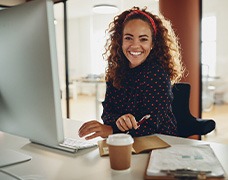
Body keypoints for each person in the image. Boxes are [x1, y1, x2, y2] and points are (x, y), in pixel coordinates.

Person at [78, 7, 184, 140]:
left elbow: (152, 125)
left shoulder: (158, 74)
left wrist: (112, 130)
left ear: (153, 43)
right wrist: (118, 120)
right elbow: (107, 113)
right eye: (128, 38)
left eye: (143, 39)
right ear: (120, 41)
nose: (135, 45)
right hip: (126, 141)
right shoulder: (115, 71)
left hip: (160, 142)